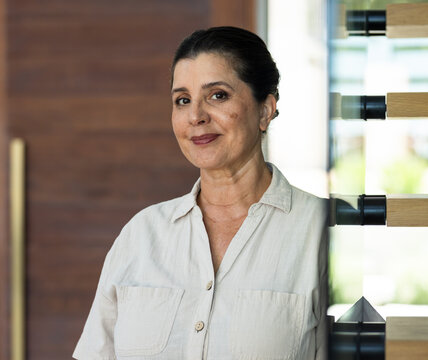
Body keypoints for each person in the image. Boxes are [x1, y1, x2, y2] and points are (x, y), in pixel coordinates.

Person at [73, 26, 327, 360]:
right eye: (183, 100)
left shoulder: (321, 232)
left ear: (264, 110)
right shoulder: (141, 235)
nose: (196, 116)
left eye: (218, 95)